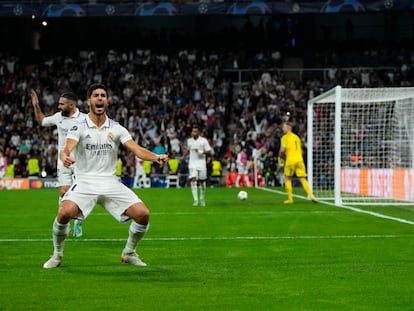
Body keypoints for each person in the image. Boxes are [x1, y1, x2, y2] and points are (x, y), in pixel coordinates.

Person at [43, 83, 168, 269]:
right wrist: (64, 155)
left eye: (103, 95)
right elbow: (67, 146)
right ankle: (57, 255)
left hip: (110, 183)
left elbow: (137, 149)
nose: (100, 98)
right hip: (85, 182)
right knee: (63, 213)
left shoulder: (117, 128)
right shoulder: (78, 127)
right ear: (89, 101)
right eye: (96, 95)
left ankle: (129, 252)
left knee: (143, 215)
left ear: (107, 101)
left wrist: (155, 157)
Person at [31, 89, 87, 237]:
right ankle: (65, 224)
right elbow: (42, 121)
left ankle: (79, 223)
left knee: (82, 195)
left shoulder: (85, 120)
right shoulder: (58, 117)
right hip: (63, 162)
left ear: (71, 105)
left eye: (62, 104)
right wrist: (36, 106)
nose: (59, 107)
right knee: (63, 193)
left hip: (80, 163)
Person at [278, 122, 318, 204]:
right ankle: (311, 195)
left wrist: (281, 156)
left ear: (289, 128)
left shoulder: (284, 137)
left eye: (284, 127)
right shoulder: (297, 137)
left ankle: (290, 199)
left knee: (287, 178)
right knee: (302, 178)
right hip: (299, 159)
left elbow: (282, 150)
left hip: (290, 160)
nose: (283, 129)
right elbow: (301, 151)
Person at [183, 125, 212, 207]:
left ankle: (202, 198)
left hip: (201, 163)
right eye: (192, 131)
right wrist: (183, 156)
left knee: (202, 182)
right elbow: (188, 150)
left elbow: (209, 151)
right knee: (193, 179)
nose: (193, 133)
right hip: (192, 163)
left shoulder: (203, 141)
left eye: (195, 131)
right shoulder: (189, 141)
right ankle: (195, 200)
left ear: (199, 132)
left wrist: (200, 151)